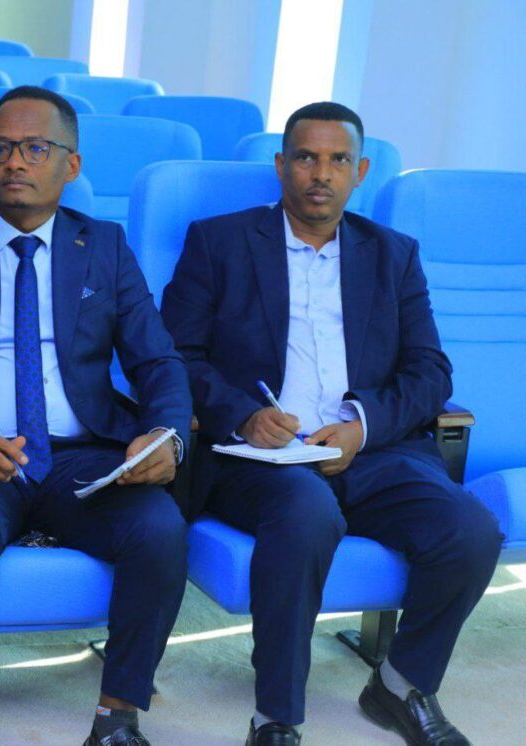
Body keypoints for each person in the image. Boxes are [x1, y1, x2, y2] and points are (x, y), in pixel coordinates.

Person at [160, 101, 502, 746]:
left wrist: (361, 427)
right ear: (281, 165)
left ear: (360, 170)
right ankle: (276, 714)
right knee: (305, 514)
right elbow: (175, 355)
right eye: (307, 158)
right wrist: (244, 415)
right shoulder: (220, 242)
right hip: (263, 457)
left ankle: (402, 684)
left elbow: (431, 371)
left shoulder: (393, 254)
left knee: (471, 530)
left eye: (338, 159)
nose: (322, 173)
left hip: (371, 450)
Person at [0, 85, 191, 746]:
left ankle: (117, 716)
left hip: (80, 452)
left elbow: (158, 360)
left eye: (33, 148)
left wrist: (166, 436)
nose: (14, 162)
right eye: (0, 148)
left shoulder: (103, 245)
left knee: (160, 529)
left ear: (70, 165)